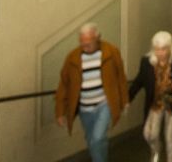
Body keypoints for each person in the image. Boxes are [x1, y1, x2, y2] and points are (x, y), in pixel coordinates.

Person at [55, 23, 129, 162]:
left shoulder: (111, 52)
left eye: (88, 43)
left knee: (97, 138)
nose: (85, 46)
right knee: (91, 141)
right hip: (84, 108)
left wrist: (124, 100)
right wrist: (60, 111)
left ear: (97, 38)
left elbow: (121, 78)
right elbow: (64, 85)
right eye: (82, 43)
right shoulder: (72, 57)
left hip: (104, 104)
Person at [129, 31, 172, 162]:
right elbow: (139, 80)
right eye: (157, 50)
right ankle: (156, 151)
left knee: (170, 138)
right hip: (156, 103)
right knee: (149, 134)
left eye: (163, 49)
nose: (160, 53)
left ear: (170, 47)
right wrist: (127, 98)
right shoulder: (147, 61)